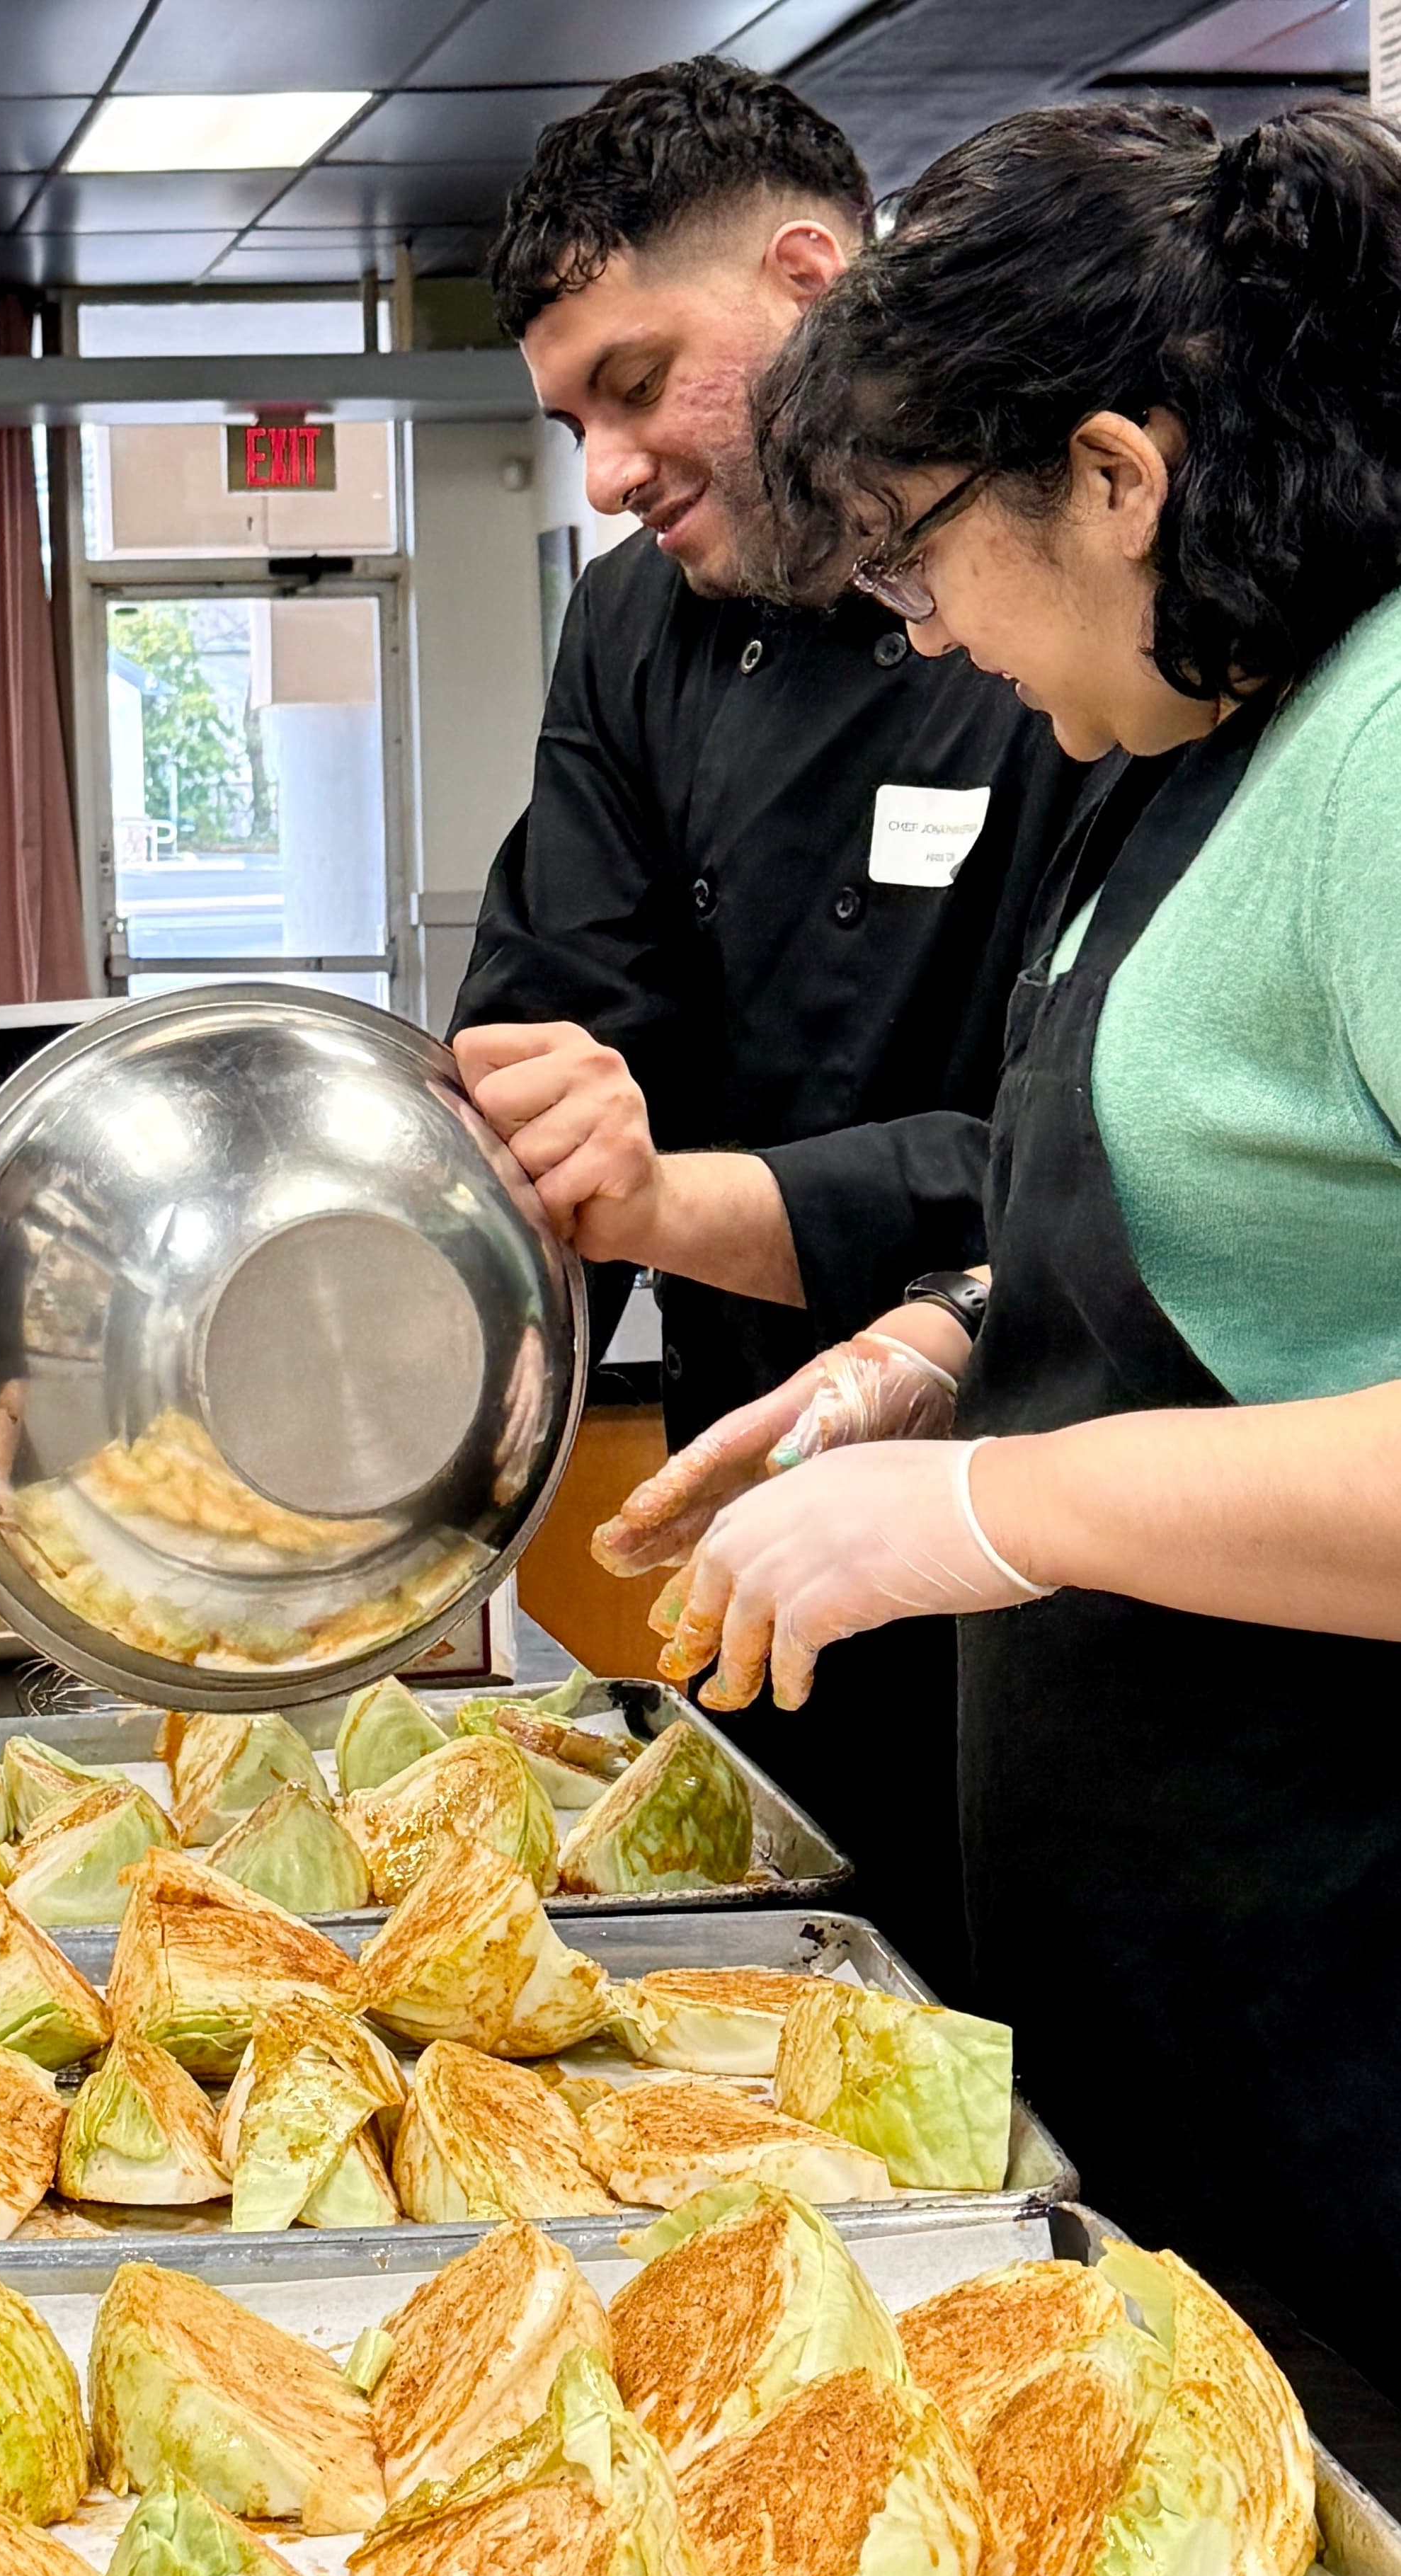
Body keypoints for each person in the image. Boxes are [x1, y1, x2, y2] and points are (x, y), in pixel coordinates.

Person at [642, 98, 1401, 2401]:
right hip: (1186, 2023)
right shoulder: (1203, 743)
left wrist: (989, 1507)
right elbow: (1244, 1246)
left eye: (914, 556)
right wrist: (933, 1352)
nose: (929, 632)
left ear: (1111, 471)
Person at [447, 58, 1098, 1996]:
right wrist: (537, 1105)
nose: (607, 474)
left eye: (636, 388)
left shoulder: (1079, 604)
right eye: (571, 420)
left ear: (809, 280)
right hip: (754, 1518)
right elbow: (557, 1008)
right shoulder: (632, 627)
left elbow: (1088, 1155)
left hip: (1057, 1535)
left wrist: (682, 1193)